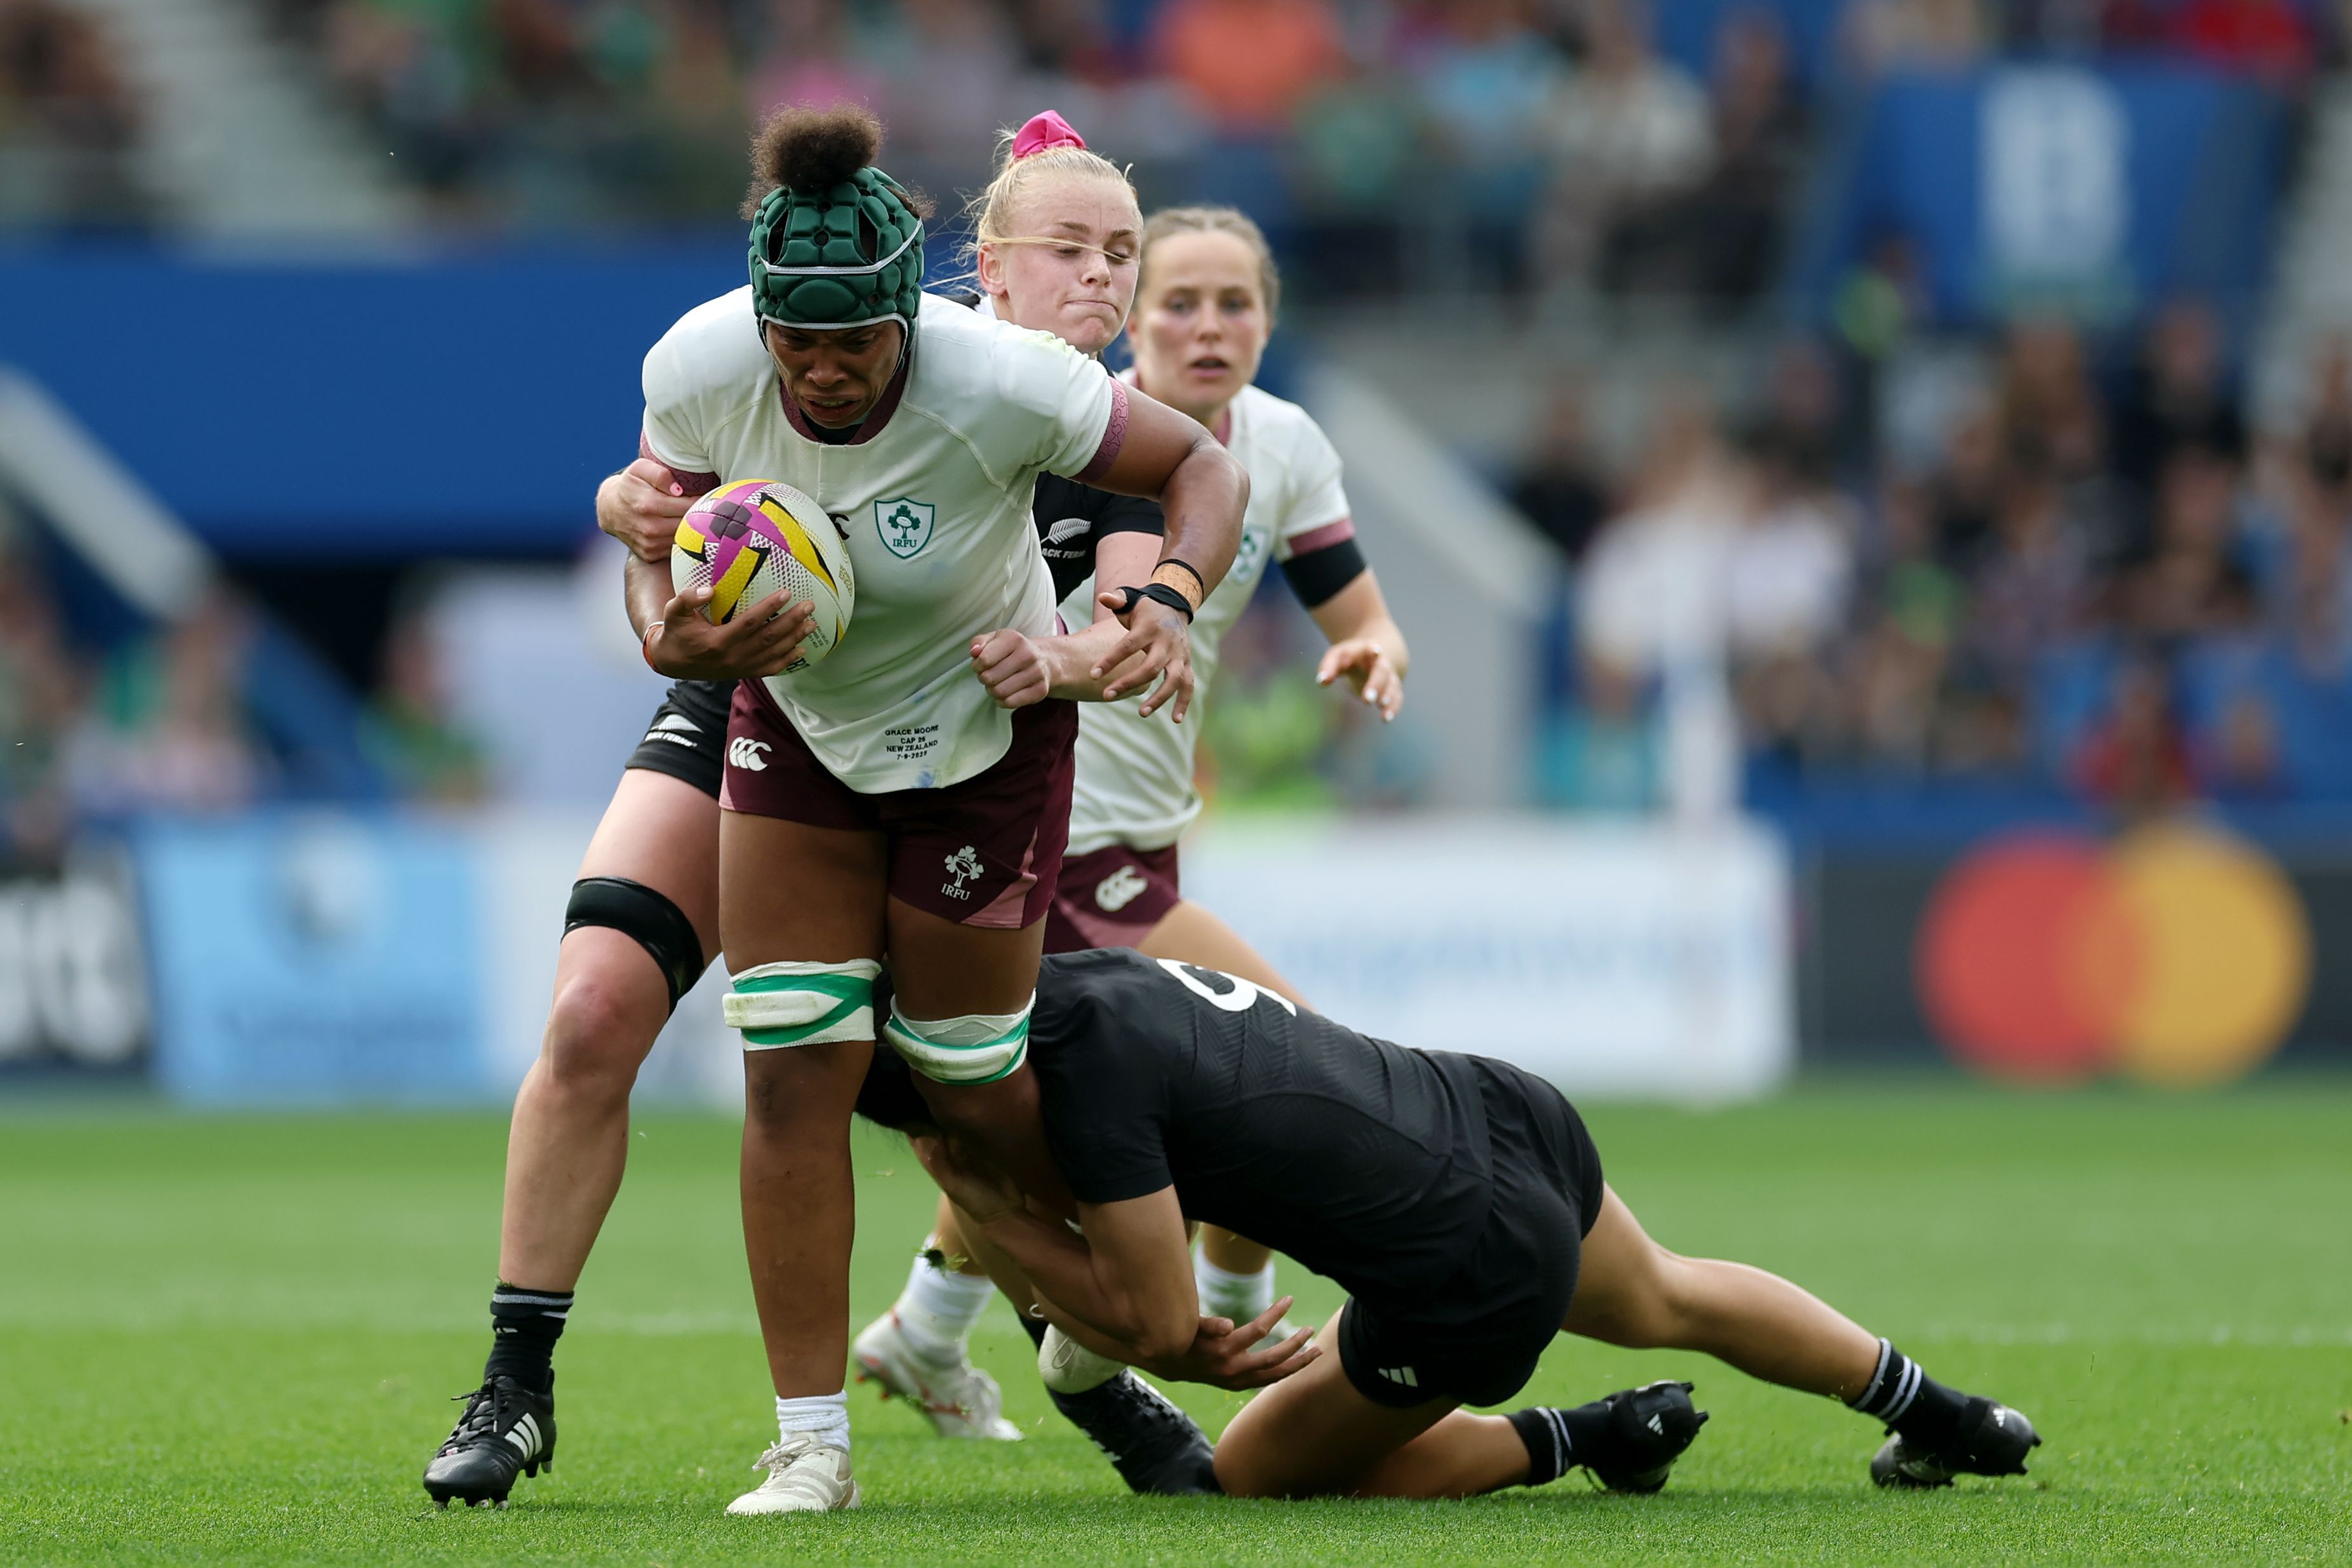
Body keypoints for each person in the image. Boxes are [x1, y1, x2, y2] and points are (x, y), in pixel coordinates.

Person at [420, 104, 1249, 1515]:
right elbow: (655, 532)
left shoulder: (1037, 399)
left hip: (971, 743)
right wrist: (666, 624)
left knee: (961, 1094)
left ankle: (1097, 1361)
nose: (1109, 281)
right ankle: (566, 1391)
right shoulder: (716, 358)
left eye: (1126, 254)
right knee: (643, 1020)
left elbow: (1168, 525)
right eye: (1076, 250)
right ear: (980, 263)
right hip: (766, 701)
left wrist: (1124, 626)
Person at [857, 202, 1409, 1421]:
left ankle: (927, 1329)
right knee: (1285, 1055)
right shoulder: (1074, 434)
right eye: (1179, 301)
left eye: (1235, 304)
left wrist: (1370, 646)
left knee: (1027, 1097)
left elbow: (1351, 602)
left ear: (1269, 319)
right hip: (1053, 833)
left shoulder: (1287, 445)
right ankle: (1222, 1312)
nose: (1208, 327)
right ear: (1135, 319)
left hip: (1150, 834)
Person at [864, 948, 2045, 1500]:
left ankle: (1583, 1436)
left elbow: (1163, 1329)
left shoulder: (1082, 1088)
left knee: (1245, 1476)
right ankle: (1949, 1416)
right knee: (1671, 1293)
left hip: (1461, 1268)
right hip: (1497, 1106)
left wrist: (974, 1195)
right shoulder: (1081, 979)